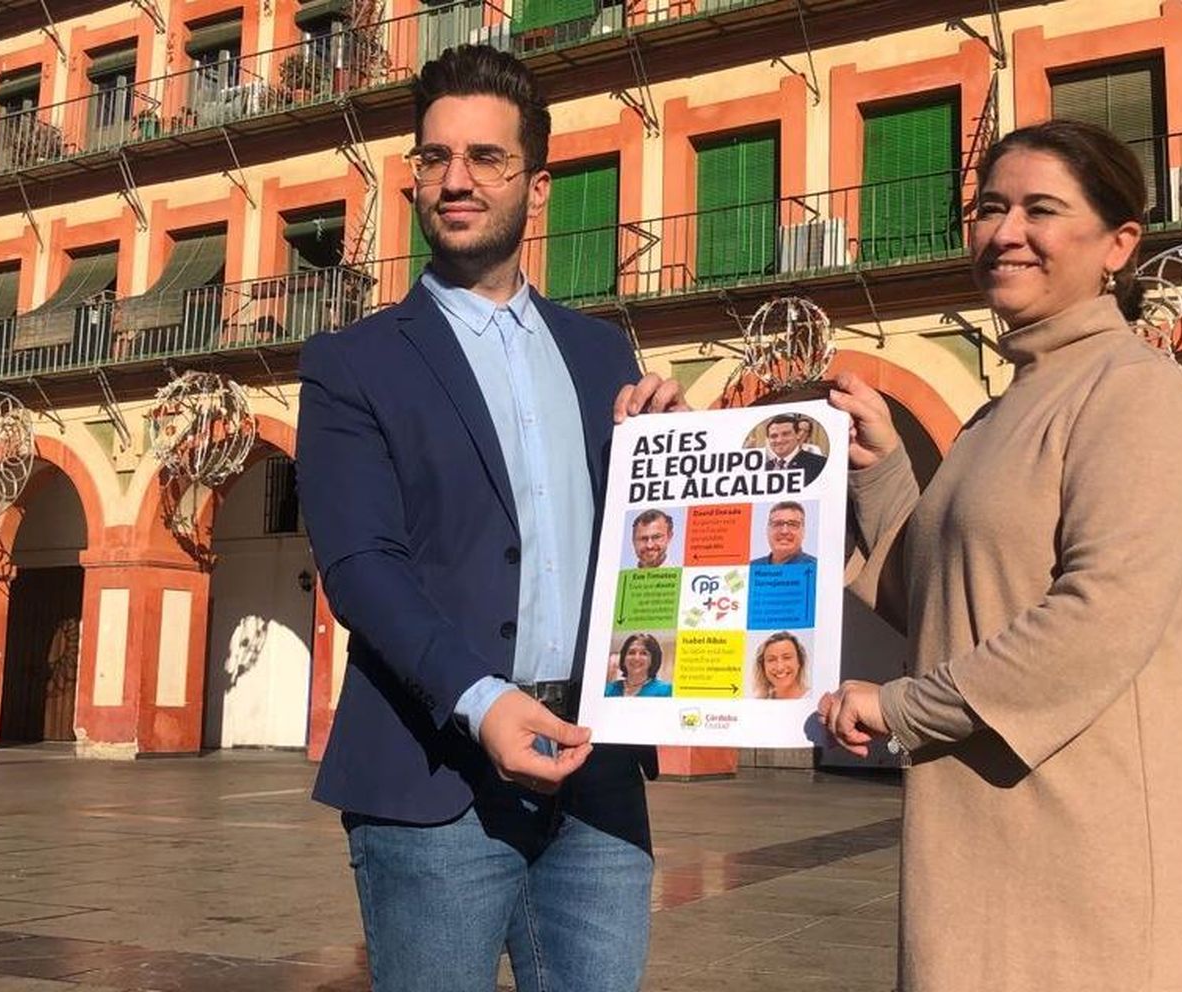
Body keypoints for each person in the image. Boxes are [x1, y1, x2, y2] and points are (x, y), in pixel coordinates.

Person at [296, 45, 684, 992]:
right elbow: (361, 566)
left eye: (485, 158)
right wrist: (484, 702)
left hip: (598, 771)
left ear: (537, 185)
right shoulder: (353, 363)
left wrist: (670, 461)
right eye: (434, 158)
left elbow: (645, 553)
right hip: (434, 781)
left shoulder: (604, 355)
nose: (455, 180)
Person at [817, 120, 1182, 991]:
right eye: (990, 207)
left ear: (1119, 243)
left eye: (1042, 209)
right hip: (975, 844)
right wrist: (885, 466)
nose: (1006, 232)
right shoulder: (999, 412)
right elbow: (942, 595)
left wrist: (900, 708)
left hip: (1089, 861)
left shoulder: (1136, 389)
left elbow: (1101, 616)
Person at [760, 413, 826, 483]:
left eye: (786, 434)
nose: (779, 440)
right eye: (774, 436)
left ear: (797, 435)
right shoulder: (763, 468)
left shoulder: (819, 464)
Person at [604, 633, 673, 697]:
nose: (636, 658)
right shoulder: (608, 690)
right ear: (624, 658)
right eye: (631, 652)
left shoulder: (666, 691)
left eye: (644, 653)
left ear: (653, 660)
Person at [749, 501, 814, 566]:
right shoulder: (751, 567)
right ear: (767, 530)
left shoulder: (818, 568)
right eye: (777, 524)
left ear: (803, 531)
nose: (784, 531)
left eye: (793, 524)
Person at [751, 631, 808, 699]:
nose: (780, 667)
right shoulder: (759, 700)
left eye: (787, 657)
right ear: (763, 666)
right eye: (771, 659)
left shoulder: (813, 698)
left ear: (799, 661)